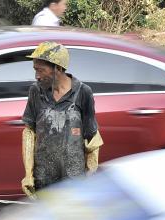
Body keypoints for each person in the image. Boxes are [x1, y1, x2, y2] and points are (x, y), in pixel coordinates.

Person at [21, 41, 103, 196]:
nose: (36, 76)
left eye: (41, 70)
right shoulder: (35, 92)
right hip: (43, 180)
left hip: (73, 181)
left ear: (58, 68)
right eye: (35, 70)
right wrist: (28, 175)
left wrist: (89, 176)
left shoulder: (83, 93)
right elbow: (29, 133)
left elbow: (92, 139)